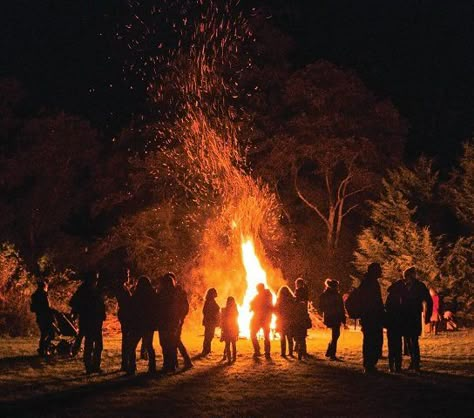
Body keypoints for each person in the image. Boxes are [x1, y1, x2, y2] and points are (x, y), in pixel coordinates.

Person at [69, 272, 106, 374]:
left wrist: (102, 314)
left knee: (98, 345)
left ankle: (94, 366)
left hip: (96, 321)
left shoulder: (95, 290)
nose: (96, 281)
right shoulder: (83, 290)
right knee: (90, 344)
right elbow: (73, 302)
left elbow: (100, 304)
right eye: (95, 279)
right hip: (88, 320)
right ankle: (89, 366)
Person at [401, 267, 432, 372]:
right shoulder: (405, 286)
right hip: (405, 316)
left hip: (414, 316)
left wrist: (427, 315)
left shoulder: (420, 286)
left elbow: (428, 300)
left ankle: (416, 363)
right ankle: (413, 361)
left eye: (406, 276)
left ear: (411, 276)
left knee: (413, 339)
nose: (405, 278)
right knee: (408, 340)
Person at [126, 276, 157, 375]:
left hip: (138, 325)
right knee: (149, 346)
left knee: (132, 346)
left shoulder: (137, 295)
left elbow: (131, 309)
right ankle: (152, 367)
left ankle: (132, 367)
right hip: (148, 325)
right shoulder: (152, 295)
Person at [358, 262, 385, 374]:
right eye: (379, 270)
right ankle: (369, 364)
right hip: (372, 317)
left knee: (370, 340)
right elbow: (375, 301)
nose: (381, 271)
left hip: (368, 316)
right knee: (372, 340)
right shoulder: (371, 283)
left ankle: (369, 364)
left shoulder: (366, 282)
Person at [156, 273, 181, 372]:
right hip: (171, 323)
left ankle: (168, 364)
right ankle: (172, 364)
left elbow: (158, 308)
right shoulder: (175, 294)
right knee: (171, 344)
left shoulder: (162, 294)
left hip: (164, 323)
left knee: (165, 344)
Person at [319, 279, 346, 361]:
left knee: (335, 335)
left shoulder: (326, 294)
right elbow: (341, 307)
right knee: (336, 335)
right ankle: (332, 353)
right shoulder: (335, 295)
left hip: (332, 316)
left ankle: (330, 351)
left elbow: (321, 306)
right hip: (334, 316)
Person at [385, 278, 406, 373]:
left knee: (392, 345)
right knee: (397, 345)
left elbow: (387, 308)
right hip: (396, 323)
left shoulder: (391, 296)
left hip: (391, 324)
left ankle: (392, 366)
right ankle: (396, 366)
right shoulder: (398, 297)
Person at [30, 280, 55, 357]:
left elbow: (33, 308)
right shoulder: (44, 295)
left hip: (39, 317)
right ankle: (44, 348)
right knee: (51, 334)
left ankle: (42, 349)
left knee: (44, 334)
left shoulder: (34, 296)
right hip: (46, 317)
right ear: (44, 287)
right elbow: (47, 306)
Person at [250, 283, 273, 359]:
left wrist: (253, 306)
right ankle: (264, 352)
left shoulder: (266, 296)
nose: (257, 290)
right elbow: (252, 304)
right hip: (262, 318)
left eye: (258, 289)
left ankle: (261, 351)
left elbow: (255, 304)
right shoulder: (265, 296)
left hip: (262, 319)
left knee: (257, 334)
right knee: (264, 335)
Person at [175, 278, 193, 369]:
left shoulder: (179, 292)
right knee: (174, 341)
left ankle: (187, 360)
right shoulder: (173, 292)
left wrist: (180, 318)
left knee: (176, 340)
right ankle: (175, 362)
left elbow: (185, 308)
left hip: (177, 321)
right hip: (174, 321)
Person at [115, 279, 133, 371]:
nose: (127, 277)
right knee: (126, 339)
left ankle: (125, 362)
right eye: (126, 274)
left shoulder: (124, 287)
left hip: (125, 314)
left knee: (127, 339)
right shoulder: (121, 287)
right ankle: (125, 362)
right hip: (125, 314)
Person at [275, 286, 295, 358]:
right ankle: (290, 352)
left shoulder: (279, 300)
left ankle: (283, 353)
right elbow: (294, 310)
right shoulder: (292, 300)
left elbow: (276, 310)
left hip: (281, 320)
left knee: (282, 337)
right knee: (290, 337)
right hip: (289, 320)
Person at [201, 288, 220, 356]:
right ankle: (206, 350)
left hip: (210, 321)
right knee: (208, 336)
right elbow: (205, 311)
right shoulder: (209, 301)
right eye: (215, 292)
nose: (216, 293)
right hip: (210, 322)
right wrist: (212, 317)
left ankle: (207, 349)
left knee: (209, 336)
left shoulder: (210, 301)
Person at [220, 296, 239, 364]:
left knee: (229, 344)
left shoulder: (225, 310)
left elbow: (222, 320)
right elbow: (222, 320)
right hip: (229, 328)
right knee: (231, 344)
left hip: (229, 328)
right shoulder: (234, 310)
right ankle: (231, 359)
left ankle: (231, 359)